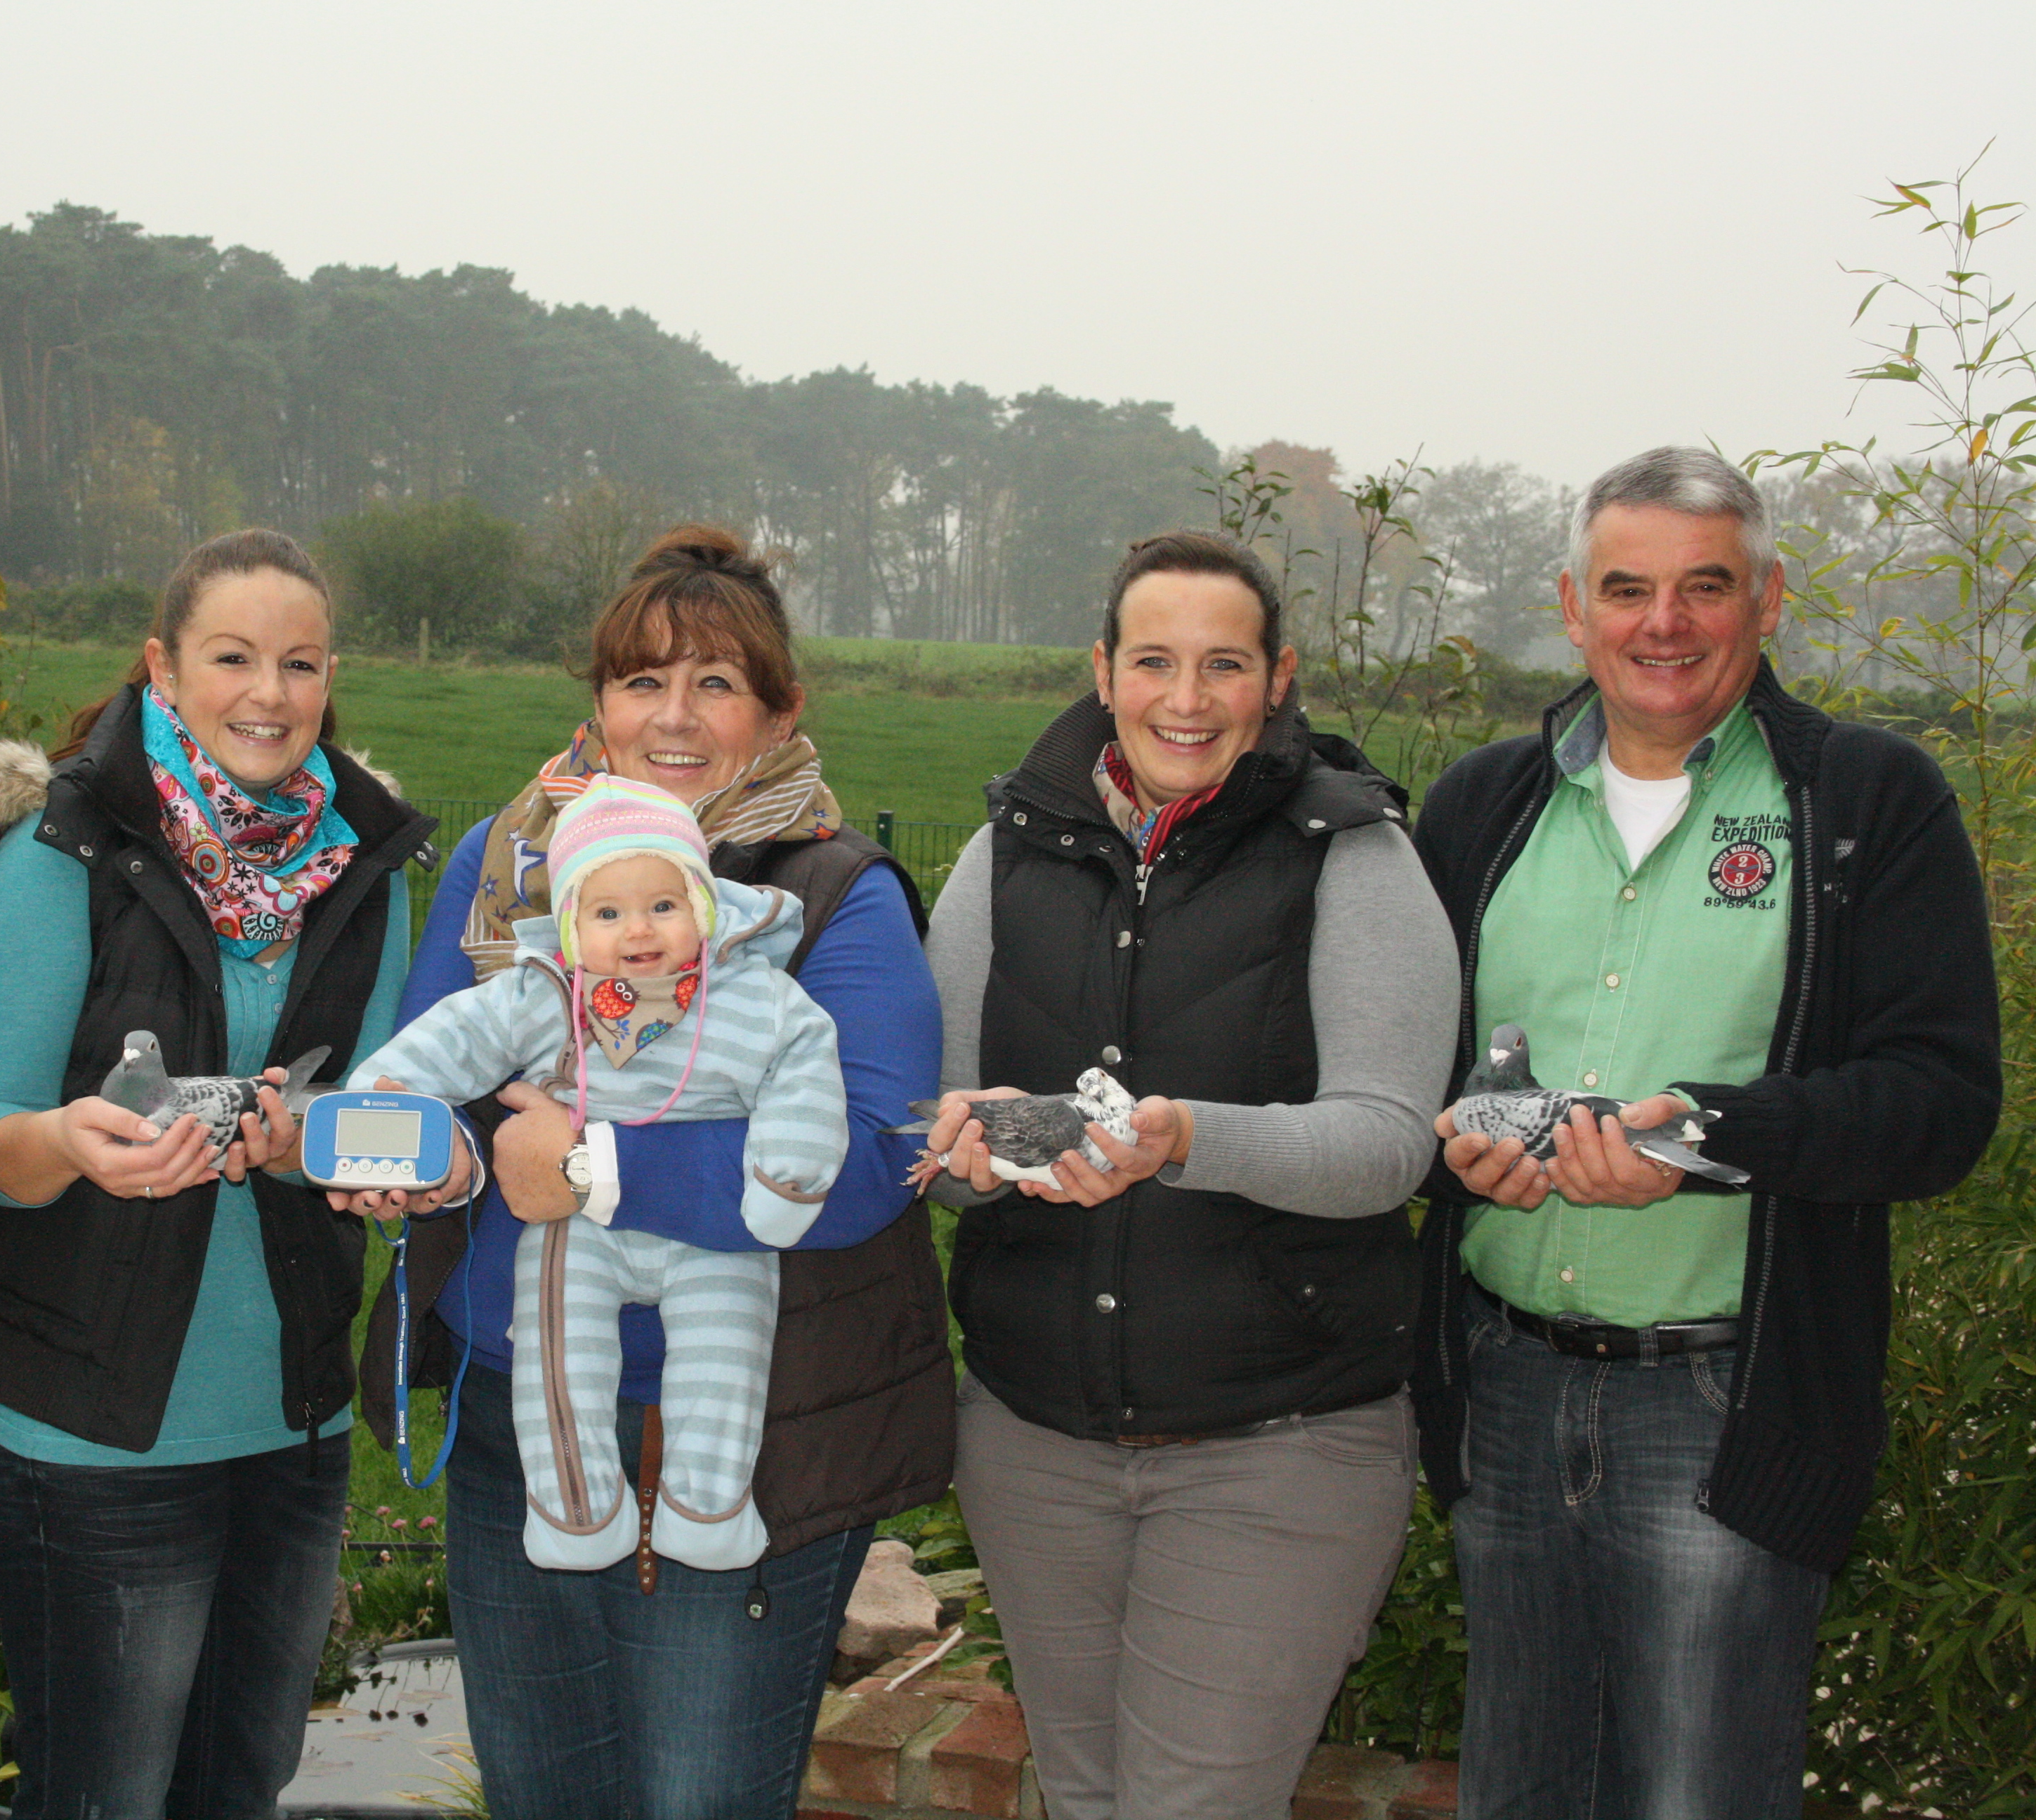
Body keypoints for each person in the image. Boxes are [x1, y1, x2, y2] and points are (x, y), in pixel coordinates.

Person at [1411, 447, 2002, 1819]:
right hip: (1503, 1393)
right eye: (1627, 588)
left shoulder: (1862, 803)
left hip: (1728, 1406)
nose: (1661, 623)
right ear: (1572, 605)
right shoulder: (1479, 810)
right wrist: (1460, 1144)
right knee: (1520, 1792)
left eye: (1704, 588)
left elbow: (1940, 1105)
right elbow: (1416, 1075)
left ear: (1769, 600)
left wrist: (1713, 1131)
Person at [364, 525, 947, 1820]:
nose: (671, 718)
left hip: (743, 1428)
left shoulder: (833, 893)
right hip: (520, 1405)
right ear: (599, 703)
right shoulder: (506, 865)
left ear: (780, 710)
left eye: (715, 683)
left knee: (696, 1798)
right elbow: (433, 1084)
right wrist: (412, 1165)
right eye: (640, 681)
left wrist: (588, 1161)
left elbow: (867, 1157)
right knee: (541, 1790)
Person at [914, 529, 1457, 1820]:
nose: (1185, 696)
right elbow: (929, 1150)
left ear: (1276, 680)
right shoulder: (1009, 849)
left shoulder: (1352, 853)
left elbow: (1387, 1144)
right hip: (1035, 1439)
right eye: (1153, 660)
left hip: (1276, 1442)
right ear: (1101, 671)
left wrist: (1189, 1138)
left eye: (1223, 664)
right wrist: (977, 1150)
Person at [0, 529, 438, 1820]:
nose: (268, 694)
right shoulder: (60, 857)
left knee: (241, 1785)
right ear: (163, 667)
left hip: (290, 1416)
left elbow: (374, 1104)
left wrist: (319, 1142)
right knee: (104, 1795)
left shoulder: (363, 873)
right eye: (233, 657)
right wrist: (70, 1141)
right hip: (93, 1425)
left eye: (300, 662)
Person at [350, 774, 846, 1574]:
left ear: (706, 907)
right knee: (558, 1352)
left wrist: (787, 1172)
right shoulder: (545, 994)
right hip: (572, 1227)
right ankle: (575, 1511)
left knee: (728, 1356)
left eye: (664, 906)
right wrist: (382, 1101)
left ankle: (707, 1506)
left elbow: (806, 1073)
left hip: (710, 1236)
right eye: (607, 913)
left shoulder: (758, 1000)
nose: (638, 931)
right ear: (572, 926)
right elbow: (450, 1040)